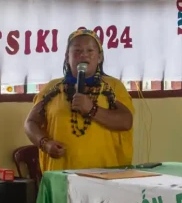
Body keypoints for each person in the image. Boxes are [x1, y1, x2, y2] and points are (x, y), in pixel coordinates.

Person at [25, 28, 135, 172]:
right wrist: (45, 144)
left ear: (100, 57)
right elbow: (30, 123)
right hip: (62, 175)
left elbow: (126, 121)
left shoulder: (113, 86)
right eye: (77, 51)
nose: (84, 55)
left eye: (90, 51)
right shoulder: (52, 88)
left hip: (106, 176)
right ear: (67, 57)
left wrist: (92, 110)